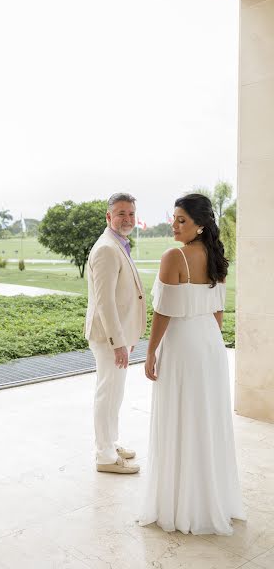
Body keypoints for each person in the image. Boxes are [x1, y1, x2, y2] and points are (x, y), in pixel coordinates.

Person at [139, 193, 245, 534]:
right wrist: (207, 342)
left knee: (180, 417)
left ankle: (177, 504)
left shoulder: (175, 257)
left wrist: (150, 351)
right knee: (206, 419)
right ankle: (210, 500)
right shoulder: (216, 257)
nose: (174, 225)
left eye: (181, 220)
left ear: (200, 224)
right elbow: (217, 312)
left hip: (184, 345)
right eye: (174, 218)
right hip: (210, 345)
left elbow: (163, 312)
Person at [85, 192, 147, 474]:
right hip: (108, 337)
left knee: (115, 393)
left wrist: (127, 337)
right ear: (109, 217)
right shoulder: (107, 249)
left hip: (119, 336)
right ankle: (105, 456)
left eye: (131, 213)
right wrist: (118, 343)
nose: (127, 219)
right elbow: (105, 303)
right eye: (121, 213)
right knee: (107, 393)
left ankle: (110, 442)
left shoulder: (119, 244)